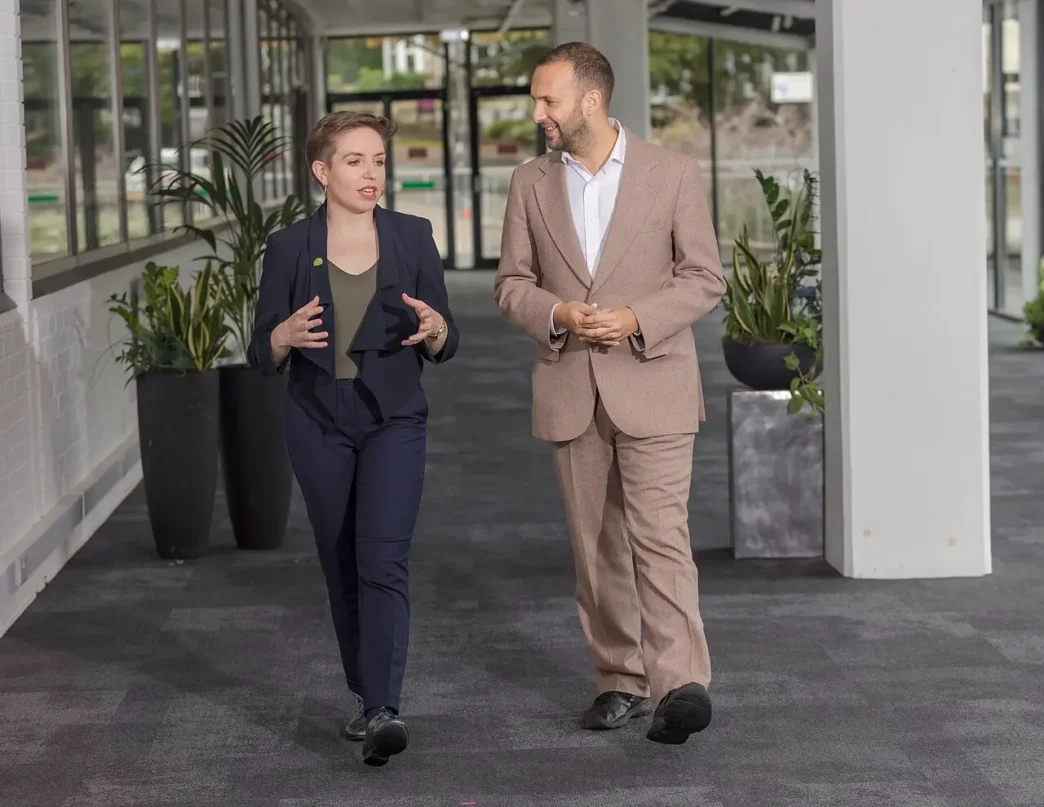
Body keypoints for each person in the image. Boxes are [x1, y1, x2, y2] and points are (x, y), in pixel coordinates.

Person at [493, 42, 725, 745]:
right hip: (570, 384)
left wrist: (635, 319)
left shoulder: (672, 173)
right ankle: (619, 679)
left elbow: (704, 277)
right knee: (597, 547)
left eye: (548, 100)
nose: (538, 115)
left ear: (590, 99)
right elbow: (511, 285)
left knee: (660, 537)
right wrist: (559, 315)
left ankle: (679, 684)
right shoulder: (529, 182)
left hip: (653, 377)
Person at [248, 111, 459, 767]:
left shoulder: (412, 236)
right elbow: (260, 350)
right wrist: (281, 338)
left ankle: (384, 708)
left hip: (394, 417)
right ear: (321, 171)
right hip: (318, 422)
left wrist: (437, 331)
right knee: (342, 562)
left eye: (379, 162)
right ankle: (367, 695)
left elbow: (447, 332)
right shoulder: (289, 247)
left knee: (382, 559)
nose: (372, 174)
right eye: (355, 161)